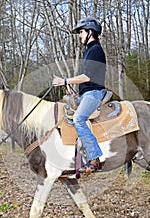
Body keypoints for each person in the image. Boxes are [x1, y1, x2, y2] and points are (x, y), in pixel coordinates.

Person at [53, 17, 106, 174]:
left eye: (81, 32)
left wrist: (64, 81)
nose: (79, 35)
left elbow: (88, 77)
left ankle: (94, 158)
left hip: (94, 93)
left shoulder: (95, 50)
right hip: (85, 93)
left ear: (91, 32)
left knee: (78, 119)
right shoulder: (88, 51)